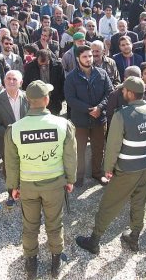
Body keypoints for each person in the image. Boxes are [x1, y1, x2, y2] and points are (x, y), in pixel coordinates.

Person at [76, 77, 146, 254]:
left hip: (126, 170)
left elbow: (113, 147)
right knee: (139, 202)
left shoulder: (122, 115)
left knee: (108, 204)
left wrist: (108, 169)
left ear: (130, 93)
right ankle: (134, 237)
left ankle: (94, 241)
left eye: (123, 91)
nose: (122, 93)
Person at [4, 80, 77, 279]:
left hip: (27, 187)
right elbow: (70, 156)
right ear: (46, 100)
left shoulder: (15, 129)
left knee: (30, 225)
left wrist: (13, 187)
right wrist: (70, 179)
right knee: (55, 224)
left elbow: (11, 162)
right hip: (54, 184)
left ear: (28, 101)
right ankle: (55, 262)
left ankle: (31, 264)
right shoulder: (63, 124)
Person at [64, 45, 113, 187]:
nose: (88, 59)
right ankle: (78, 177)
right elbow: (70, 98)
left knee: (99, 148)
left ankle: (97, 173)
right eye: (85, 56)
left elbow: (110, 92)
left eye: (90, 56)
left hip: (99, 119)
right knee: (78, 149)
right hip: (80, 121)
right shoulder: (71, 77)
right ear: (78, 58)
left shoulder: (102, 73)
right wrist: (88, 109)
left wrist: (99, 108)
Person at [0, 70, 28, 207]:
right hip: (6, 141)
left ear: (21, 83)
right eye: (8, 79)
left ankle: (26, 192)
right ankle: (11, 193)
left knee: (26, 165)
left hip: (26, 140)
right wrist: (10, 134)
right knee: (8, 168)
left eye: (14, 79)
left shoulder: (28, 98)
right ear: (4, 81)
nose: (11, 81)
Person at [22, 49, 65, 115]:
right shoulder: (30, 67)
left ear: (50, 59)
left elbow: (63, 83)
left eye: (46, 65)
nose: (43, 67)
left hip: (54, 101)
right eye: (41, 65)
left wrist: (60, 98)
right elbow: (26, 85)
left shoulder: (58, 66)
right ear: (37, 59)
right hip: (37, 103)